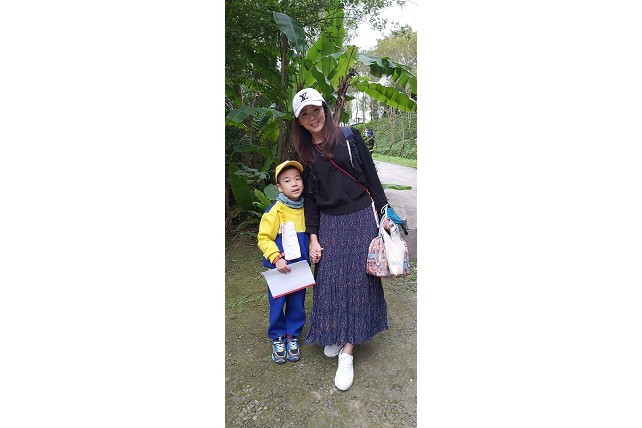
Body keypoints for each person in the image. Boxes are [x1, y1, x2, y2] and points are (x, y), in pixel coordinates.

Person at [290, 87, 392, 391]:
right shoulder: (305, 154)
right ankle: (337, 332)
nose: (312, 117)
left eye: (315, 110)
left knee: (358, 282)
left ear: (325, 108)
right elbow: (310, 200)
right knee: (330, 281)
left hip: (359, 216)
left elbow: (371, 176)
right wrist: (313, 237)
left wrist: (385, 211)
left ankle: (348, 351)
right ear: (299, 121)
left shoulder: (349, 137)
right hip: (329, 223)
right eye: (305, 114)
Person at [257, 160, 310, 364]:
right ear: (279, 187)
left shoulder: (306, 209)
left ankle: (292, 335)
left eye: (297, 179)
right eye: (287, 181)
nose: (294, 183)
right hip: (279, 270)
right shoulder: (275, 211)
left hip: (299, 270)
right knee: (277, 304)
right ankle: (278, 337)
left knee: (297, 304)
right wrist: (276, 258)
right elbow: (264, 238)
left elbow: (309, 236)